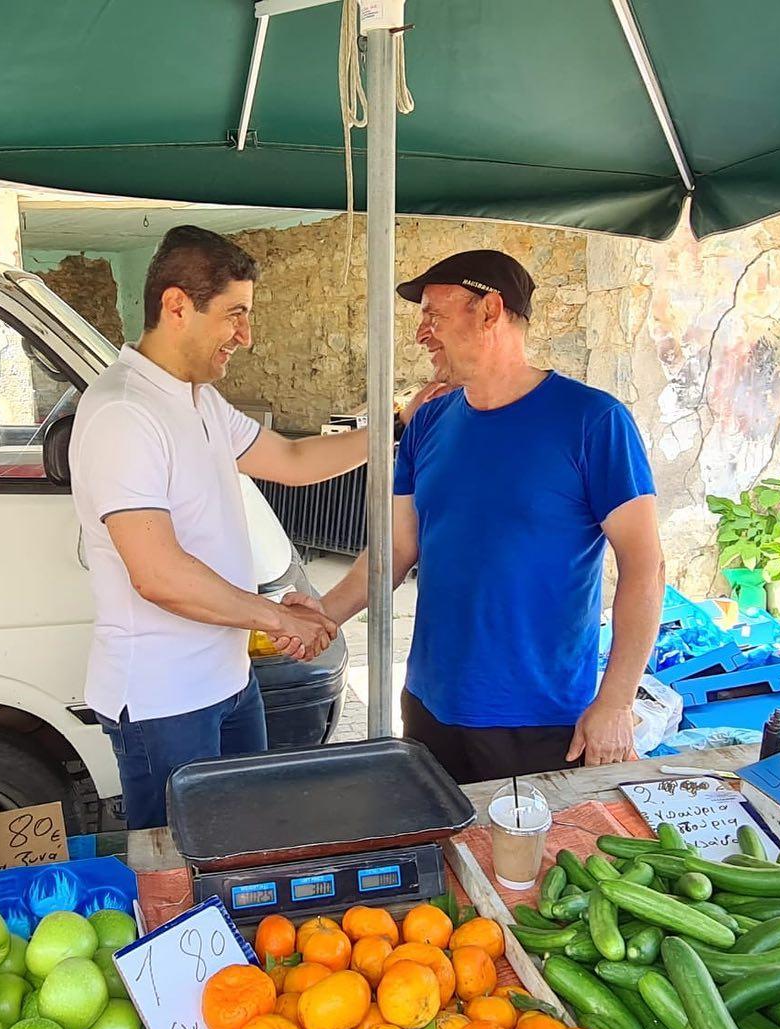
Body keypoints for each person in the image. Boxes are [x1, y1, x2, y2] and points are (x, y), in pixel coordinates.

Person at [311, 250, 665, 782]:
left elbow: (645, 567)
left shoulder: (593, 421)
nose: (421, 334)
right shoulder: (427, 422)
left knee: (528, 864)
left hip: (539, 718)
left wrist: (614, 702)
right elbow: (395, 551)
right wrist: (321, 615)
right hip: (431, 704)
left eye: (434, 314)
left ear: (490, 309)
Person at [69, 225, 369, 829]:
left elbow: (291, 462)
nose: (246, 336)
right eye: (235, 315)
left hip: (227, 680)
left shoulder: (197, 398)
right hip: (164, 699)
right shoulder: (125, 412)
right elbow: (159, 575)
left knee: (246, 838)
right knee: (181, 868)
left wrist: (395, 432)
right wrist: (280, 619)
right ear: (177, 305)